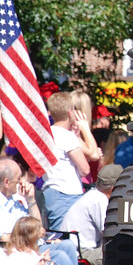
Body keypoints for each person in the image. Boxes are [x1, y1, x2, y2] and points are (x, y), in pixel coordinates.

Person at [42, 92, 98, 229]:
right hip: (67, 193)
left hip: (49, 189)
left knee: (54, 230)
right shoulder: (67, 136)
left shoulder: (45, 134)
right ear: (69, 112)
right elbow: (85, 170)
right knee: (65, 233)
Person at [59, 164, 123, 265]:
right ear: (113, 189)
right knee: (123, 253)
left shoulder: (94, 195)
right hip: (81, 252)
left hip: (76, 248)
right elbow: (110, 233)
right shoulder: (100, 200)